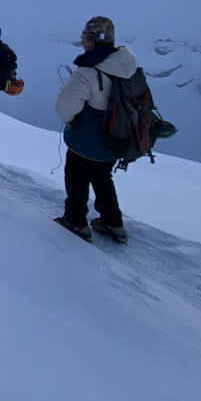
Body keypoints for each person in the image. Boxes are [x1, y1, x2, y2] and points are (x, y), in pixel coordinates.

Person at [54, 16, 135, 242]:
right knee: (102, 178)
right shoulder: (127, 64)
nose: (81, 40)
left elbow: (65, 107)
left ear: (91, 40)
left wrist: (72, 121)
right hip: (116, 138)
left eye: (84, 36)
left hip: (87, 139)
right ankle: (113, 221)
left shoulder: (88, 72)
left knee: (77, 178)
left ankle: (76, 221)